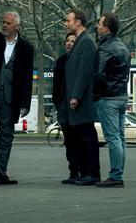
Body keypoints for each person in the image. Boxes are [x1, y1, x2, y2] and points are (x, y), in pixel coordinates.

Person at [0, 11, 34, 185]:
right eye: (3, 22)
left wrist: (25, 103)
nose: (4, 25)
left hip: (11, 98)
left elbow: (27, 78)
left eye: (8, 23)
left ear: (17, 26)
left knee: (7, 136)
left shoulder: (26, 48)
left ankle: (2, 172)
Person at [92, 12, 130, 188]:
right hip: (122, 95)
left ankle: (116, 175)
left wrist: (95, 94)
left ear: (106, 29)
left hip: (108, 98)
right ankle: (118, 172)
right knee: (120, 137)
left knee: (113, 138)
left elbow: (98, 74)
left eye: (99, 24)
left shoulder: (105, 48)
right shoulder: (123, 47)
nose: (97, 27)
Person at [63, 8, 100, 186]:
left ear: (78, 22)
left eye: (68, 20)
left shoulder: (86, 42)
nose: (66, 23)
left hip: (82, 101)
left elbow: (84, 72)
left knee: (87, 137)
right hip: (79, 100)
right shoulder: (81, 41)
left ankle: (92, 173)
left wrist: (76, 96)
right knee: (83, 137)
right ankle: (85, 172)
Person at [53, 32, 79, 184]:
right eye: (67, 41)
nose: (69, 43)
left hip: (75, 106)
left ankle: (80, 170)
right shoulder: (61, 60)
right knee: (69, 140)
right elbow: (56, 83)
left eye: (72, 41)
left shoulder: (78, 60)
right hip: (63, 105)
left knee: (77, 139)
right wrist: (57, 102)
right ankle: (73, 171)